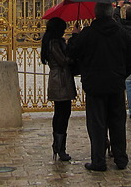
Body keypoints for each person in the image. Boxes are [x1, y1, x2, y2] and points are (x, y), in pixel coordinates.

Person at [68, 2, 131, 171]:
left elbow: (72, 53)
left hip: (95, 86)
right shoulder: (122, 33)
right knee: (118, 122)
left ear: (95, 15)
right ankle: (120, 159)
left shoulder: (88, 34)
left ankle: (98, 161)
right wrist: (119, 76)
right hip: (115, 86)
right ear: (111, 13)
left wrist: (75, 35)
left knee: (96, 124)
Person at [40, 17, 76, 161]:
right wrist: (74, 51)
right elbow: (63, 61)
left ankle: (58, 145)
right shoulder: (54, 43)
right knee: (63, 114)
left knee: (60, 114)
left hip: (59, 79)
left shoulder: (53, 42)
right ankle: (60, 148)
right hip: (60, 80)